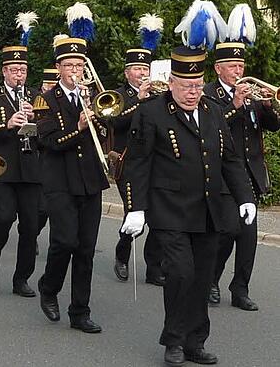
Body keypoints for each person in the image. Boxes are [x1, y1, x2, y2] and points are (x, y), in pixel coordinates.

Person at [120, 45, 255, 367]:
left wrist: (245, 197)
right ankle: (174, 340)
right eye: (185, 87)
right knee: (180, 273)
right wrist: (134, 207)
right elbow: (137, 163)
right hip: (169, 210)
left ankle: (195, 342)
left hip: (208, 210)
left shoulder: (213, 112)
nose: (193, 93)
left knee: (202, 277)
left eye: (197, 86)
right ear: (171, 84)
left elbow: (231, 160)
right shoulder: (151, 113)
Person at [36, 26, 109, 334]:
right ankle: (48, 287)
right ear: (59, 69)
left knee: (86, 248)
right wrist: (79, 127)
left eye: (80, 66)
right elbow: (48, 141)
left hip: (89, 181)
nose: (75, 71)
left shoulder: (92, 98)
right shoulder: (46, 100)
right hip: (60, 181)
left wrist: (101, 120)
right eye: (69, 66)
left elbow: (106, 133)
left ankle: (80, 311)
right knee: (64, 241)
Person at [205, 39, 280, 311]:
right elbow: (209, 130)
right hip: (224, 177)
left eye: (241, 65)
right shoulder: (209, 94)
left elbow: (273, 127)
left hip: (251, 175)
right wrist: (235, 104)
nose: (239, 71)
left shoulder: (252, 94)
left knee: (248, 238)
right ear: (218, 69)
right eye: (233, 66)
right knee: (227, 232)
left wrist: (269, 106)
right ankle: (210, 280)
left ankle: (240, 289)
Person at [0, 40, 43, 298]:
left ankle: (22, 278)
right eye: (14, 69)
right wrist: (8, 124)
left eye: (23, 70)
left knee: (31, 226)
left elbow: (47, 131)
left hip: (30, 170)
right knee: (3, 220)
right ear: (4, 71)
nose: (19, 74)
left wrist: (35, 119)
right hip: (3, 168)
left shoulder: (34, 96)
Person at [110, 45, 164, 285]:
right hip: (128, 162)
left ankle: (154, 268)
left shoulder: (160, 95)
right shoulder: (118, 95)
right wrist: (139, 101)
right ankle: (122, 253)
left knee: (159, 217)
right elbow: (115, 122)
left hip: (156, 162)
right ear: (126, 73)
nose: (142, 72)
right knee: (135, 213)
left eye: (145, 68)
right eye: (136, 68)